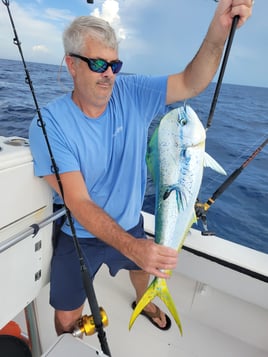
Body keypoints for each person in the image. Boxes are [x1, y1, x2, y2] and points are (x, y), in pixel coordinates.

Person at [29, 0, 253, 334]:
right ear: (72, 65)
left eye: (115, 65)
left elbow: (191, 82)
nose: (109, 73)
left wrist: (218, 31)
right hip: (81, 233)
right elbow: (78, 201)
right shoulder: (49, 124)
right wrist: (134, 247)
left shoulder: (131, 92)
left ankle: (144, 298)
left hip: (131, 223)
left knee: (141, 271)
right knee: (64, 319)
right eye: (99, 63)